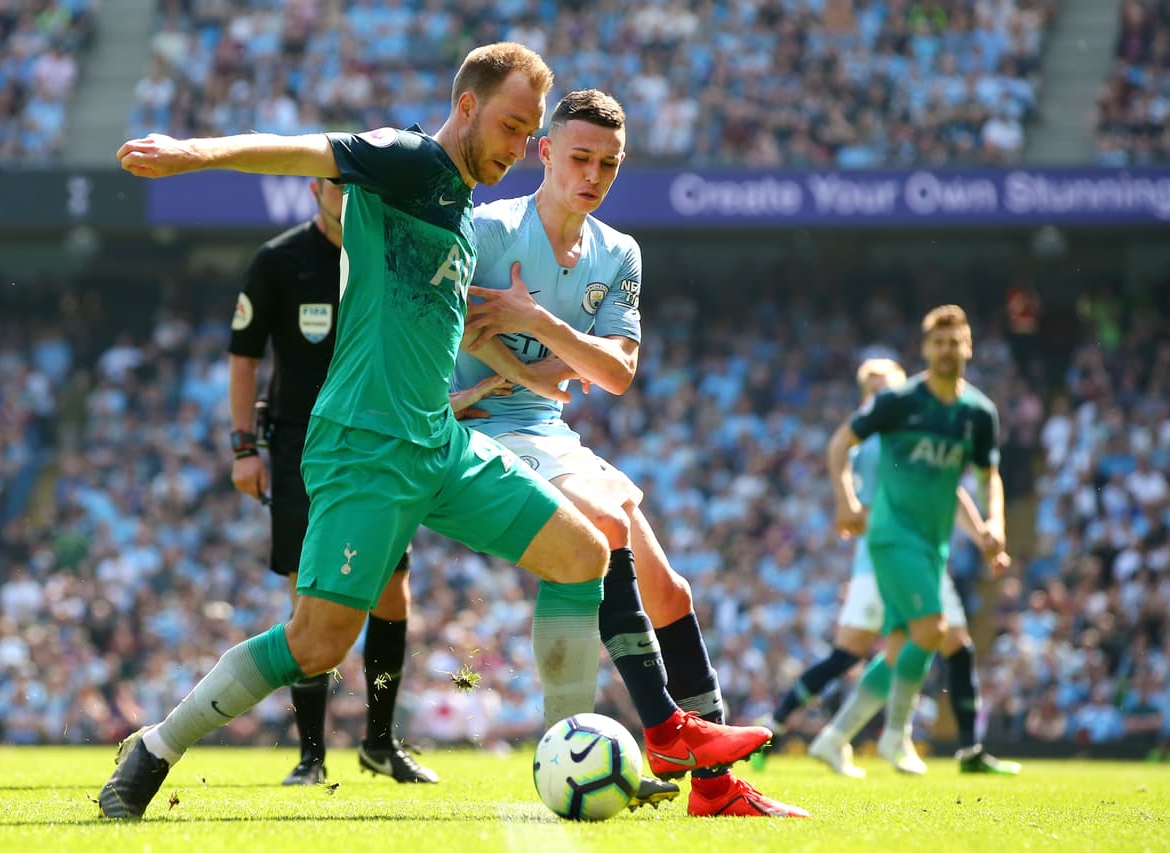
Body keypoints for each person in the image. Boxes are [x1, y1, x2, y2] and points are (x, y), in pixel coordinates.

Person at [99, 42, 761, 821]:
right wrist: (192, 154)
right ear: (467, 106)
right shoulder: (408, 160)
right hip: (366, 445)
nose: (520, 148)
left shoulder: (462, 209)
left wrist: (518, 377)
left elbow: (448, 327)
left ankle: (573, 752)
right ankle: (156, 746)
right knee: (317, 643)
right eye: (512, 127)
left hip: (440, 444)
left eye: (529, 133)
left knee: (584, 553)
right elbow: (308, 149)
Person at [453, 89, 804, 818]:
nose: (593, 175)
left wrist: (532, 321)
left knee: (671, 589)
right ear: (545, 152)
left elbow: (616, 372)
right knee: (607, 523)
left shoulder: (618, 252)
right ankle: (666, 730)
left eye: (608, 164)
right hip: (479, 428)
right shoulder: (487, 229)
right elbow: (444, 326)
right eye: (579, 158)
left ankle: (716, 789)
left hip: (547, 430)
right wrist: (475, 382)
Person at [228, 177, 446, 785]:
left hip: (377, 444)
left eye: (354, 186)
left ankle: (380, 743)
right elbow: (243, 358)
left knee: (392, 593)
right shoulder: (279, 261)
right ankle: (311, 756)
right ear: (312, 188)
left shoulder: (386, 254)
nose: (344, 195)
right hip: (300, 446)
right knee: (308, 599)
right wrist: (244, 448)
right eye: (333, 184)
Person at [762, 359, 1019, 775]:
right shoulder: (876, 439)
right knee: (867, 649)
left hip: (921, 554)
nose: (885, 396)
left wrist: (983, 536)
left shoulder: (908, 429)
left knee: (936, 643)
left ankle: (852, 737)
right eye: (876, 390)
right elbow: (849, 465)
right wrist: (849, 505)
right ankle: (815, 729)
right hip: (886, 557)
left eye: (891, 389)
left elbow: (947, 489)